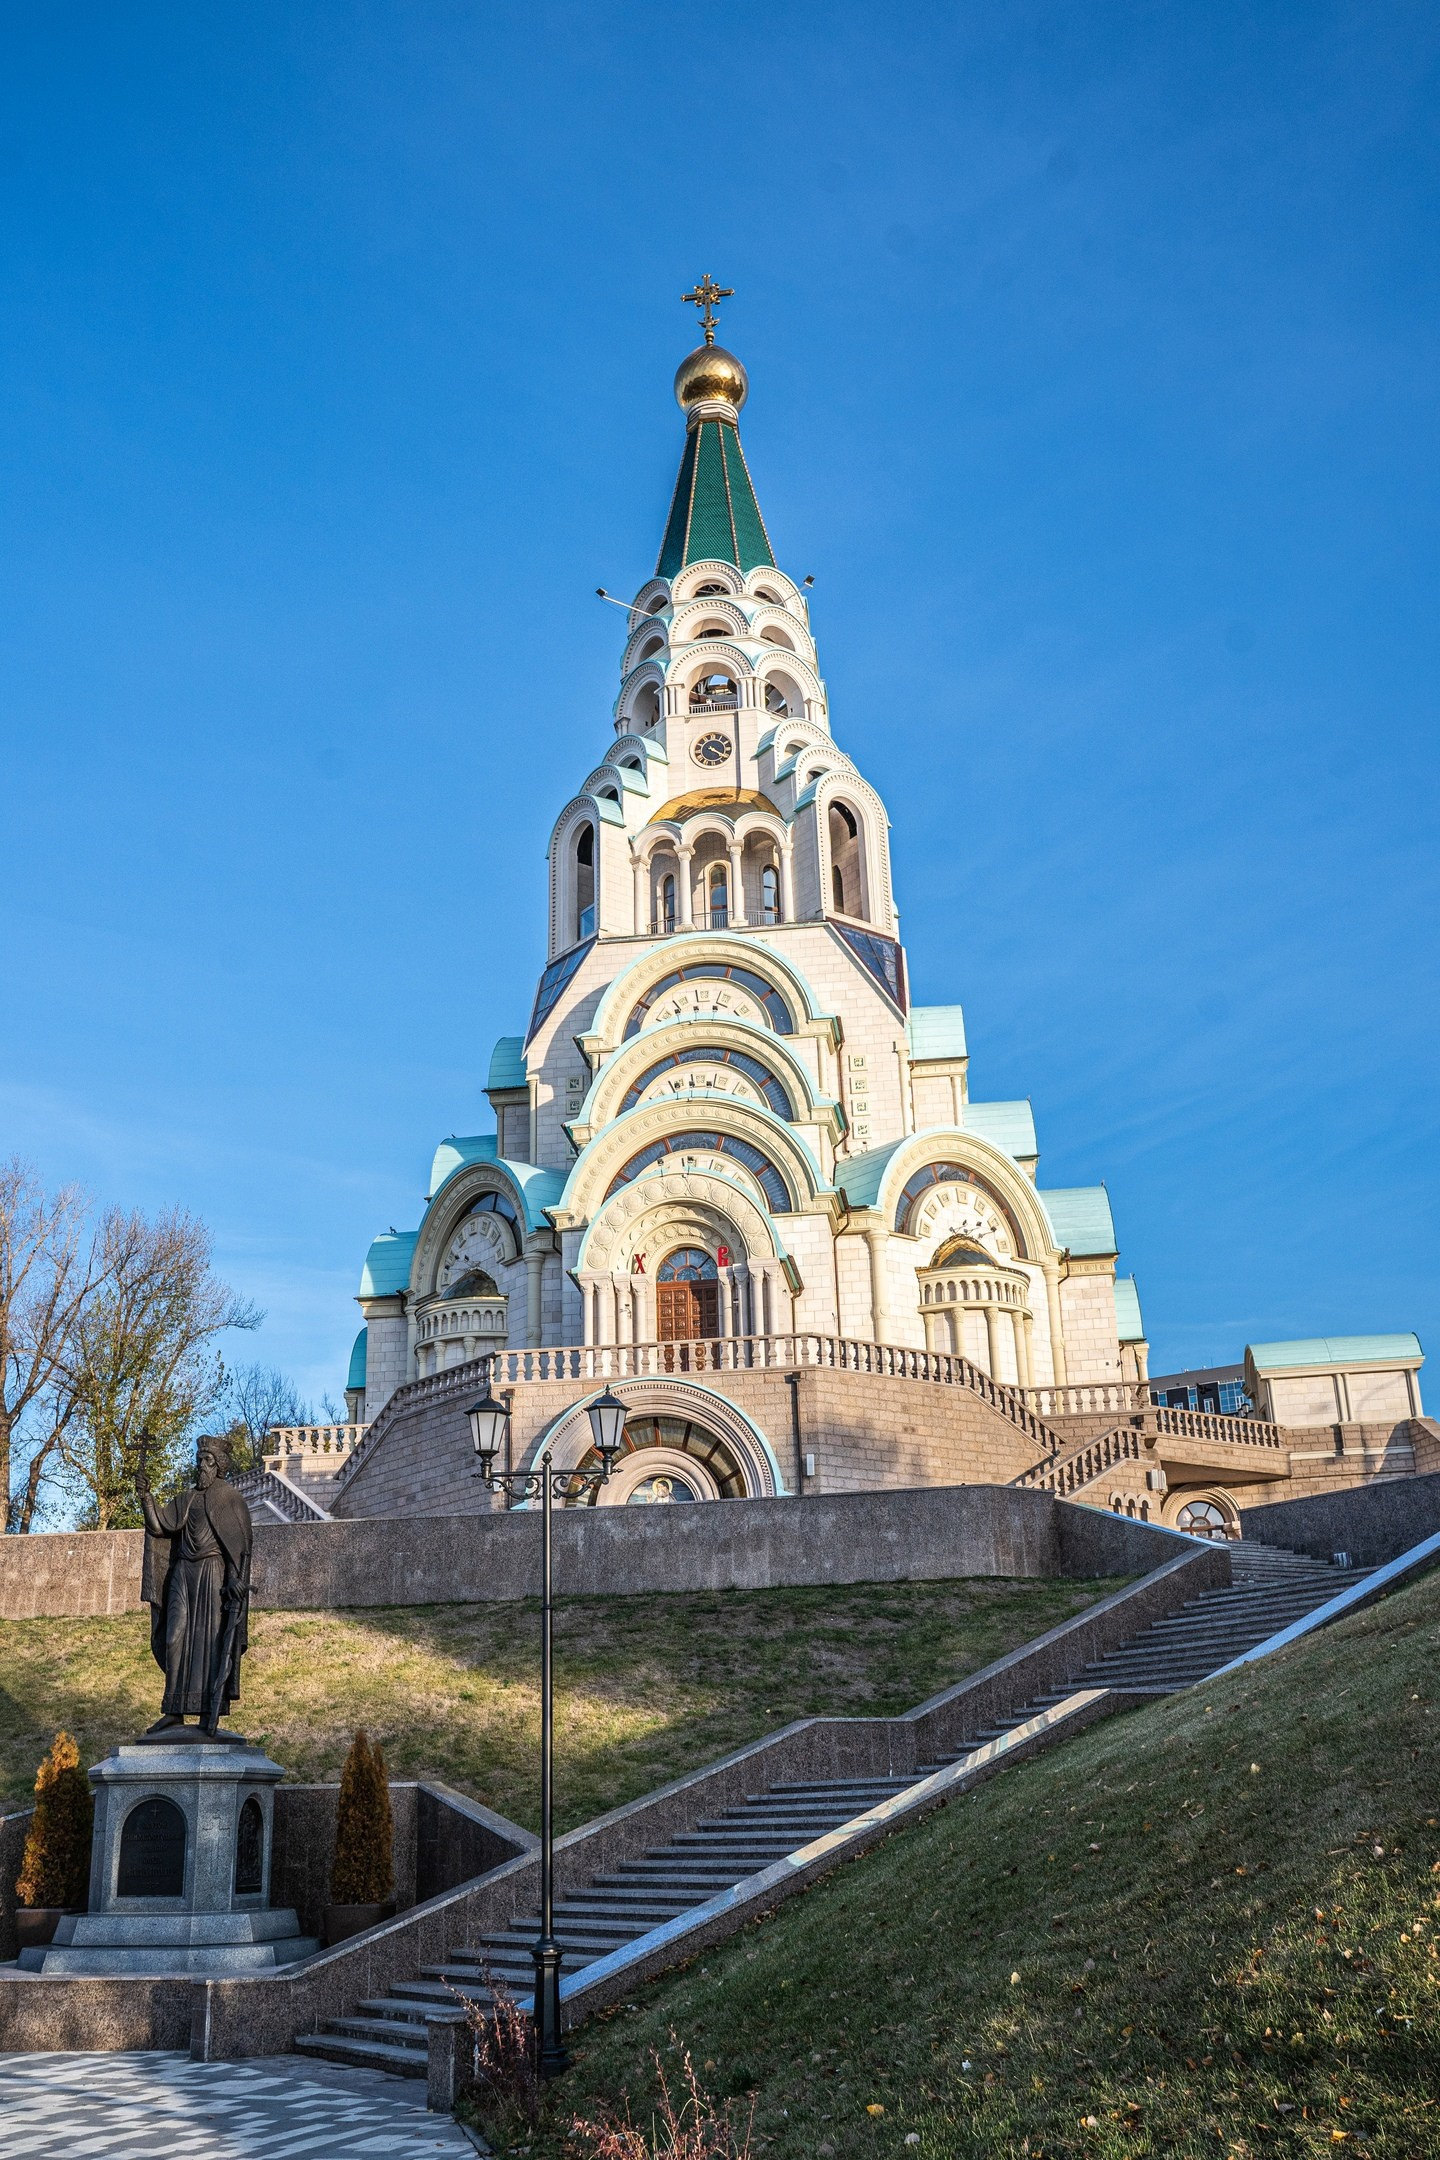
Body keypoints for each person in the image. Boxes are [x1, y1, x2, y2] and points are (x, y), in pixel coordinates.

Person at [138, 1435, 253, 1736]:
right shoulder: (186, 1498)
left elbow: (237, 1549)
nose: (200, 1466)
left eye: (207, 1461)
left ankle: (206, 1710)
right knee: (174, 1637)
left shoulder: (230, 1499)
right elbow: (159, 1527)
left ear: (219, 1466)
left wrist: (235, 1580)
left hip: (212, 1574)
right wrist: (146, 1497)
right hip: (182, 1574)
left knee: (209, 1643)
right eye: (199, 1460)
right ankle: (174, 1710)